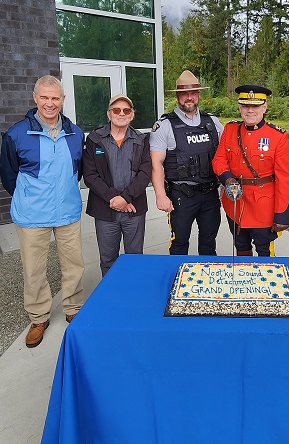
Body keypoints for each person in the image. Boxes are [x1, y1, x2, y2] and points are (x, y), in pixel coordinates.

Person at [0, 75, 84, 348]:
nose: (50, 103)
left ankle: (73, 307)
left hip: (67, 212)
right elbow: (9, 175)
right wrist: (28, 198)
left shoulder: (75, 133)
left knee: (73, 265)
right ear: (35, 98)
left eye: (55, 98)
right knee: (34, 269)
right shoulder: (16, 134)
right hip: (32, 215)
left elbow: (77, 170)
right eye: (44, 97)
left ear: (63, 100)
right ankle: (39, 316)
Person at [212, 84, 289, 256]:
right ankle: (244, 278)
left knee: (264, 251)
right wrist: (227, 178)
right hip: (235, 202)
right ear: (239, 107)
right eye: (245, 105)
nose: (250, 110)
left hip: (263, 206)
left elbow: (284, 179)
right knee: (240, 246)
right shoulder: (230, 129)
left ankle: (266, 281)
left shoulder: (278, 137)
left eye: (255, 106)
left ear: (264, 107)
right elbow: (219, 159)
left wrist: (282, 214)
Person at [150, 70, 223, 255]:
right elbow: (156, 164)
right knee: (180, 242)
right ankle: (178, 279)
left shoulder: (213, 122)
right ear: (177, 96)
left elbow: (227, 154)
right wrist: (160, 195)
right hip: (181, 196)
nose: (189, 98)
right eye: (184, 94)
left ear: (198, 95)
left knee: (209, 241)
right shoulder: (165, 125)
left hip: (210, 194)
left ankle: (206, 280)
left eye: (193, 93)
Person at [83, 95, 151, 276]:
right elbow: (90, 175)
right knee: (108, 260)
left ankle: (134, 294)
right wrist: (114, 198)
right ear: (109, 114)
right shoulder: (95, 139)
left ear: (132, 115)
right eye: (116, 110)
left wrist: (126, 198)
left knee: (135, 258)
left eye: (126, 110)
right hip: (105, 211)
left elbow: (145, 173)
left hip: (133, 209)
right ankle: (111, 298)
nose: (121, 114)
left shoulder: (141, 139)